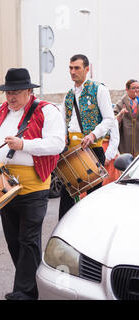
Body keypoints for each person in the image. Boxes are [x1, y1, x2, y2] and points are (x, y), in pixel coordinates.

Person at [0, 68, 65, 300]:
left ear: (28, 91)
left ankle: (23, 292)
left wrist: (24, 145)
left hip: (34, 185)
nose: (11, 97)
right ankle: (32, 285)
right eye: (8, 93)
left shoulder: (47, 110)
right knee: (13, 240)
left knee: (28, 239)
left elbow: (57, 144)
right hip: (2, 184)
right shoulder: (2, 112)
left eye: (16, 92)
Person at [59, 54, 116, 220]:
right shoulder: (68, 95)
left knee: (93, 199)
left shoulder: (98, 89)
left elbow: (109, 119)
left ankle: (94, 231)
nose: (73, 71)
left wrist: (93, 134)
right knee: (66, 199)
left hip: (92, 150)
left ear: (86, 69)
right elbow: (63, 121)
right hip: (72, 151)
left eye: (77, 68)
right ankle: (65, 232)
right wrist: (63, 136)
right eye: (70, 68)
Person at [114, 79, 139, 157]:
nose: (136, 90)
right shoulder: (120, 103)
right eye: (134, 88)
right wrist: (120, 115)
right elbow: (113, 121)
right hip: (125, 141)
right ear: (127, 90)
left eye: (138, 88)